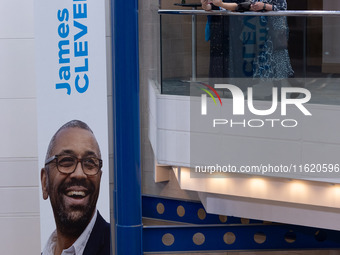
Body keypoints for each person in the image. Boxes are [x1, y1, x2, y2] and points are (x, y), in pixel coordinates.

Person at [41, 120, 111, 255]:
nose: (79, 174)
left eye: (90, 163)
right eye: (66, 161)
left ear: (100, 179)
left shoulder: (121, 248)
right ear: (45, 182)